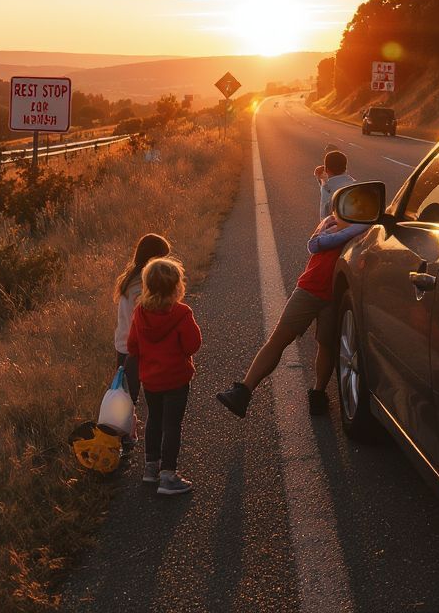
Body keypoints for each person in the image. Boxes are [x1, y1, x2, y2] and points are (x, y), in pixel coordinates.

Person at [217, 201, 366, 418]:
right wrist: (357, 226)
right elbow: (317, 244)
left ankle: (318, 393)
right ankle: (244, 391)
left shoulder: (358, 229)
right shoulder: (329, 223)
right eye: (344, 208)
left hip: (334, 296)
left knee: (326, 346)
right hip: (308, 290)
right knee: (278, 340)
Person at [127, 256, 202, 496]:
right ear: (177, 286)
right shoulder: (181, 313)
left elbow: (132, 346)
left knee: (154, 420)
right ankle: (168, 476)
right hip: (176, 380)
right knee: (172, 425)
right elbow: (192, 345)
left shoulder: (140, 312)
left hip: (150, 380)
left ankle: (151, 467)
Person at [113, 233, 171, 449]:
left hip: (124, 346)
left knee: (127, 394)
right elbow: (144, 323)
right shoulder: (140, 288)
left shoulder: (131, 279)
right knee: (131, 395)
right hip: (135, 349)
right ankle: (124, 439)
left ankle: (125, 434)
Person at [314, 148, 355, 220]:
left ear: (326, 169)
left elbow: (324, 218)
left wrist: (320, 178)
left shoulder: (327, 190)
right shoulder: (353, 183)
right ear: (345, 168)